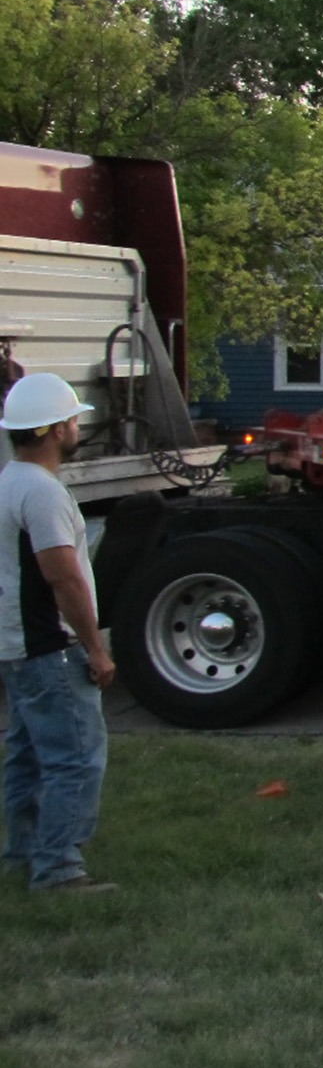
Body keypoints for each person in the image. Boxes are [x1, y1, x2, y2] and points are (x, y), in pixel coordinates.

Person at [0, 371, 116, 894]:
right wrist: (95, 647)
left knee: (26, 756)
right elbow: (62, 575)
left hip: (16, 648)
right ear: (51, 430)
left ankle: (22, 855)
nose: (76, 427)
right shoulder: (42, 493)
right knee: (75, 758)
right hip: (50, 647)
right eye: (71, 419)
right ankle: (58, 869)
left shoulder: (6, 482)